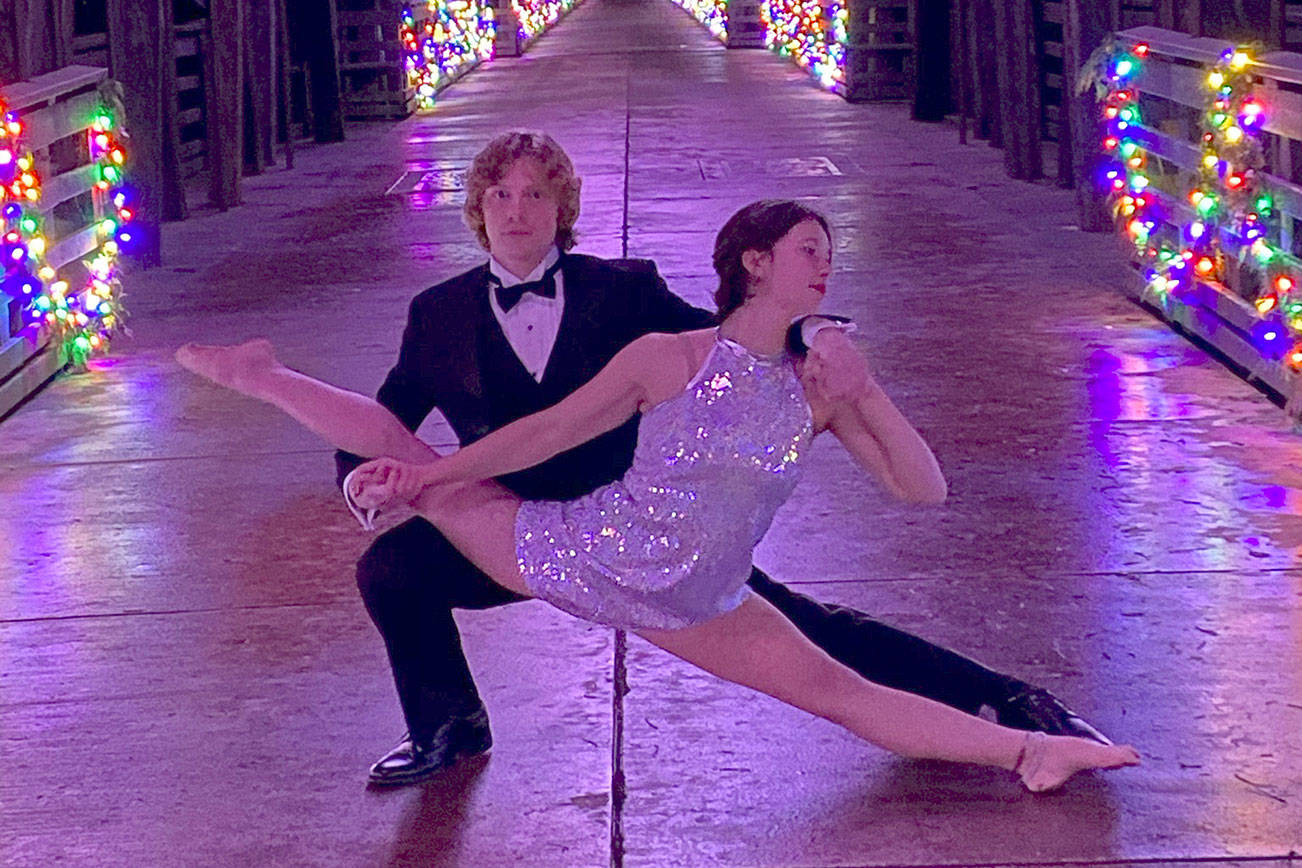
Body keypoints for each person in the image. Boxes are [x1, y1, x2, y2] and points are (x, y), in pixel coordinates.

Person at [192, 132, 1112, 788]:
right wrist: (375, 479)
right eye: (501, 197)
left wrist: (834, 353)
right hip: (528, 524)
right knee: (391, 566)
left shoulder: (627, 294)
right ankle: (448, 727)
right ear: (477, 211)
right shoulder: (438, 312)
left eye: (536, 196)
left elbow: (734, 333)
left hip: (646, 529)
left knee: (827, 652)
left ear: (563, 212)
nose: (517, 212)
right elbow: (399, 420)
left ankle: (1008, 709)